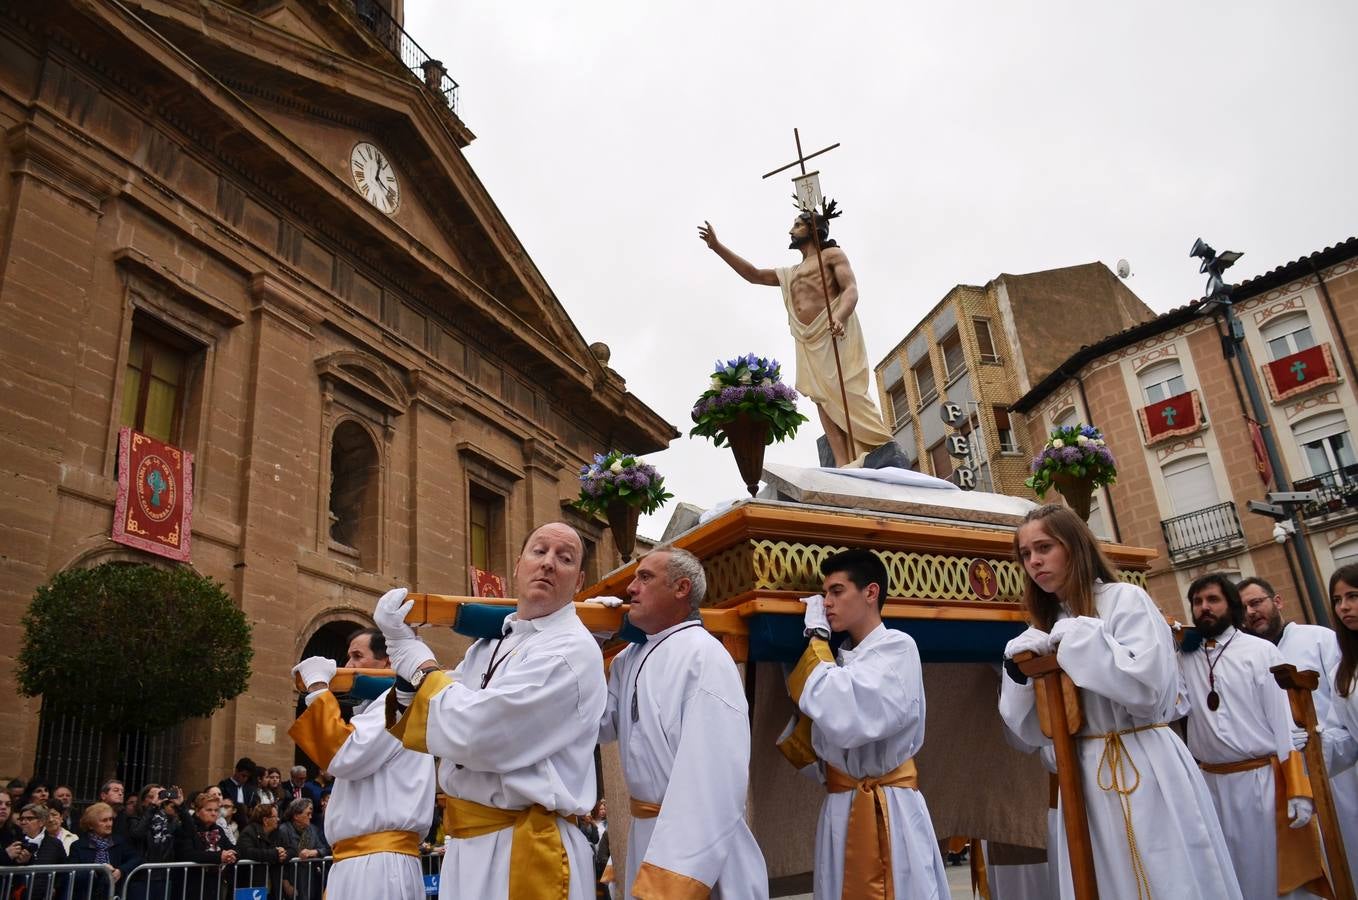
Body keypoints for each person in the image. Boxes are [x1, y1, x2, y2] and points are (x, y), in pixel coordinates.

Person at [998, 504, 1244, 899]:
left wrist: (1079, 639)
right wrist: (1020, 673)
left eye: (1044, 547)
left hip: (1143, 759)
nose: (1034, 561)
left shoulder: (1125, 600)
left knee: (1164, 874)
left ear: (1074, 547)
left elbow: (1147, 689)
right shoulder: (1044, 623)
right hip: (1083, 772)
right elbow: (1028, 731)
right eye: (1026, 554)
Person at [376, 522, 607, 900]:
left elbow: (480, 731)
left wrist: (417, 660)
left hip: (524, 847)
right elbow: (438, 716)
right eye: (539, 551)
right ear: (518, 566)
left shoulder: (572, 650)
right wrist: (405, 672)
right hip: (469, 842)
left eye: (564, 558)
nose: (548, 564)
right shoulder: (492, 644)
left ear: (578, 581)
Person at [597, 545, 768, 898]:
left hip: (693, 854)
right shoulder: (630, 657)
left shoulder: (704, 656)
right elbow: (597, 724)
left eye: (645, 577)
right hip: (648, 835)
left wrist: (674, 877)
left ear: (681, 589)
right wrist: (588, 644)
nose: (631, 589)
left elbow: (712, 781)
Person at [780, 548, 948, 899]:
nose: (827, 602)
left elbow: (848, 718)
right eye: (824, 593)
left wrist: (816, 641)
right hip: (841, 806)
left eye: (837, 591)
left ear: (871, 593)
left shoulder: (897, 647)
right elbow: (813, 727)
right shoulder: (836, 659)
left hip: (891, 807)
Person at [698, 208, 891, 466]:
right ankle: (843, 461)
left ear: (813, 229)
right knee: (822, 398)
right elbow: (753, 275)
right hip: (808, 339)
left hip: (833, 332)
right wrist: (717, 247)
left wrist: (840, 316)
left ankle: (878, 443)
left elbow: (850, 290)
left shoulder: (832, 255)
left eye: (797, 225)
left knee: (848, 391)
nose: (791, 230)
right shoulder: (791, 272)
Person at [1179, 574, 1327, 900]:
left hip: (1262, 783)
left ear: (1232, 606)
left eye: (1212, 600)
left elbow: (1283, 723)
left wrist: (1299, 791)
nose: (1204, 608)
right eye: (1197, 602)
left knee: (1274, 876)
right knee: (1225, 876)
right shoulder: (1185, 657)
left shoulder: (1260, 652)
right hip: (1211, 786)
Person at [289, 625, 435, 900]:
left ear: (388, 662)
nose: (348, 665)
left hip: (379, 862)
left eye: (358, 656)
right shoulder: (377, 707)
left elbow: (344, 754)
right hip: (360, 859)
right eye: (348, 656)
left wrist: (318, 688)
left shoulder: (398, 701)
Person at [1240, 574, 1358, 877]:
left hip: (1339, 768)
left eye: (1256, 602)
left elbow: (1345, 699)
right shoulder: (1249, 657)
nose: (1251, 612)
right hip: (1285, 774)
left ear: (1277, 601)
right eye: (1243, 608)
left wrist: (1323, 742)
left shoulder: (1318, 638)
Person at [68, 801, 137, 895]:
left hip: (113, 894)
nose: (109, 824)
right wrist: (97, 869)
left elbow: (136, 859)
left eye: (110, 819)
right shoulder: (78, 846)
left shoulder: (119, 841)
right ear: (91, 825)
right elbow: (72, 873)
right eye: (104, 820)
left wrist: (121, 871)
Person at [175, 793, 238, 898]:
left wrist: (232, 854)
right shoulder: (186, 827)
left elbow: (232, 847)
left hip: (214, 885)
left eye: (216, 810)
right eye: (209, 810)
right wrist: (219, 857)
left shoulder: (218, 829)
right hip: (191, 884)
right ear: (198, 811)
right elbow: (188, 854)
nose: (213, 813)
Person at [276, 798, 328, 900]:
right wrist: (286, 884)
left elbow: (325, 849)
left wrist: (314, 852)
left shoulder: (312, 830)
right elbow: (279, 861)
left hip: (311, 880)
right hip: (292, 879)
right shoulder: (283, 830)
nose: (311, 817)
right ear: (296, 816)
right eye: (308, 814)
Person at [236, 803, 289, 896]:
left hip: (272, 884)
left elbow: (292, 849)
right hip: (250, 885)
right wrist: (275, 854)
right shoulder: (249, 832)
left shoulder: (277, 832)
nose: (278, 819)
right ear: (265, 820)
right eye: (275, 817)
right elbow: (248, 852)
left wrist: (283, 854)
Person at [218, 757, 259, 821]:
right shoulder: (224, 785)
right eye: (243, 775)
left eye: (248, 777)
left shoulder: (249, 788)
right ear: (236, 771)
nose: (245, 779)